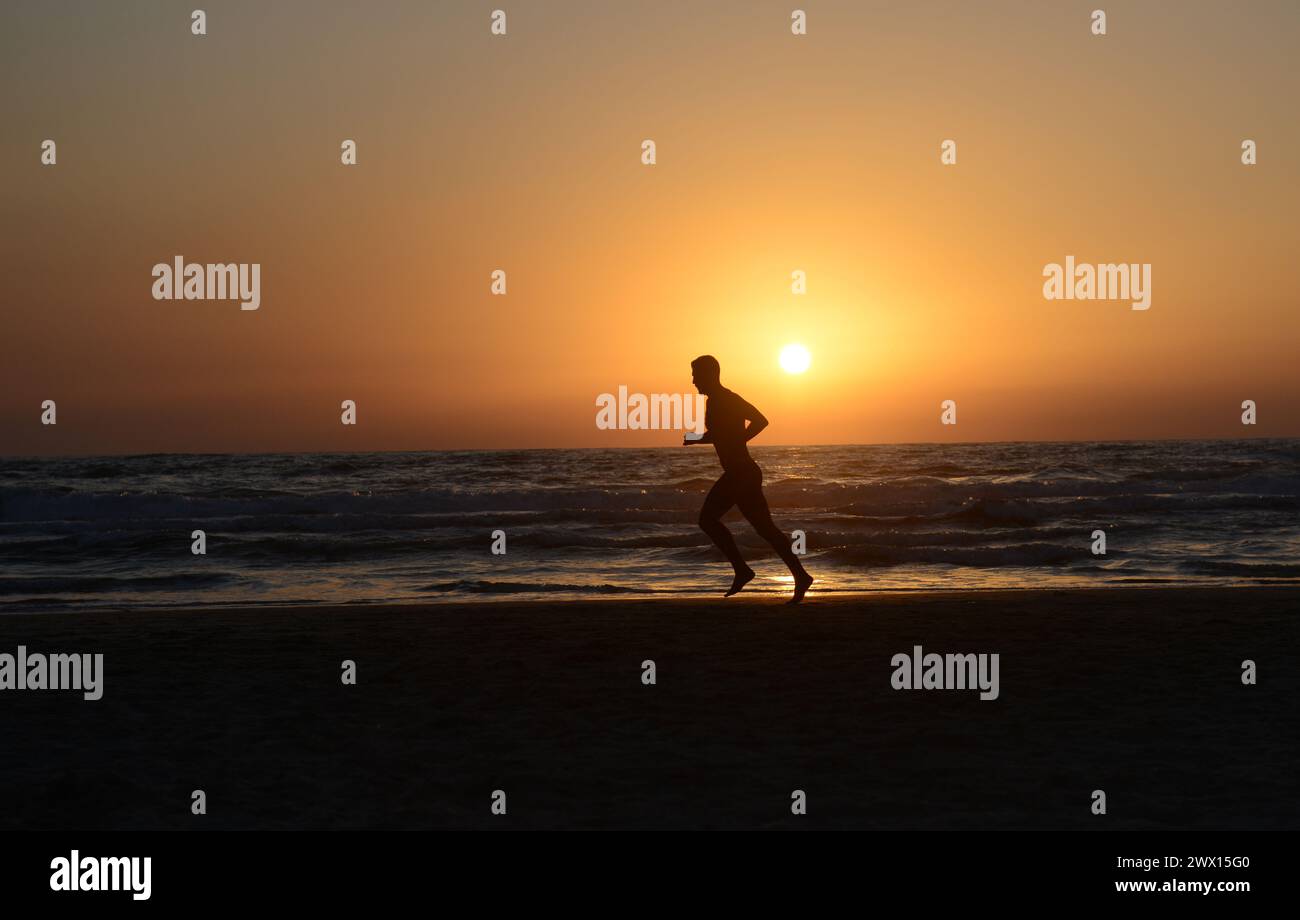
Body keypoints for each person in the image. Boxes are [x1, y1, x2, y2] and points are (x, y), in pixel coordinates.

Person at [684, 354, 814, 604]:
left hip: (740, 473)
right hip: (743, 473)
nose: (692, 381)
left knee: (707, 520)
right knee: (766, 529)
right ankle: (801, 576)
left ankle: (743, 570)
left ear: (709, 375)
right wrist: (700, 438)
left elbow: (760, 420)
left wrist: (740, 439)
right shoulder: (717, 401)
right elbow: (723, 434)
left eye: (695, 374)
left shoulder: (725, 399)